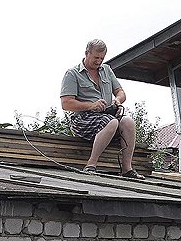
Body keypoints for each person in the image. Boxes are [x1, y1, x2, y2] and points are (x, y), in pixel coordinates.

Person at [60, 39, 143, 179]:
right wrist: (91, 105)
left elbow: (121, 92)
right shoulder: (72, 74)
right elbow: (66, 103)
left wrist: (117, 101)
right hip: (82, 119)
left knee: (128, 122)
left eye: (102, 58)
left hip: (106, 116)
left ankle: (127, 169)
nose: (99, 61)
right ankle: (91, 165)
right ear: (87, 53)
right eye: (96, 58)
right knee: (111, 122)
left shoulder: (107, 70)